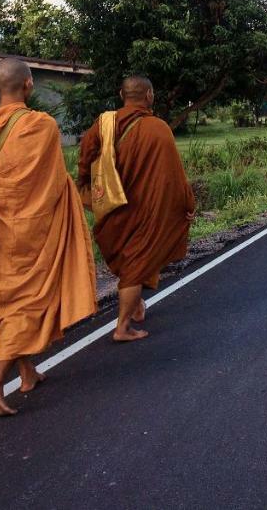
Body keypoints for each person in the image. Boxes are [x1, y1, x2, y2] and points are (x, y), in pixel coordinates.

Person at [0, 58, 97, 416]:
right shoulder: (43, 125)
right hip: (34, 230)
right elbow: (51, 184)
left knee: (10, 298)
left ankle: (27, 371)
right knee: (30, 302)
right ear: (29, 85)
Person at [77, 76, 195, 343]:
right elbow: (174, 175)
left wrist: (85, 184)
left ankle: (136, 303)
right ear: (150, 96)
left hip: (112, 206)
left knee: (130, 258)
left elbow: (85, 157)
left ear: (122, 94)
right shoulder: (159, 128)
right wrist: (188, 203)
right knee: (136, 262)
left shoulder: (104, 124)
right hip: (146, 208)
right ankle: (122, 327)